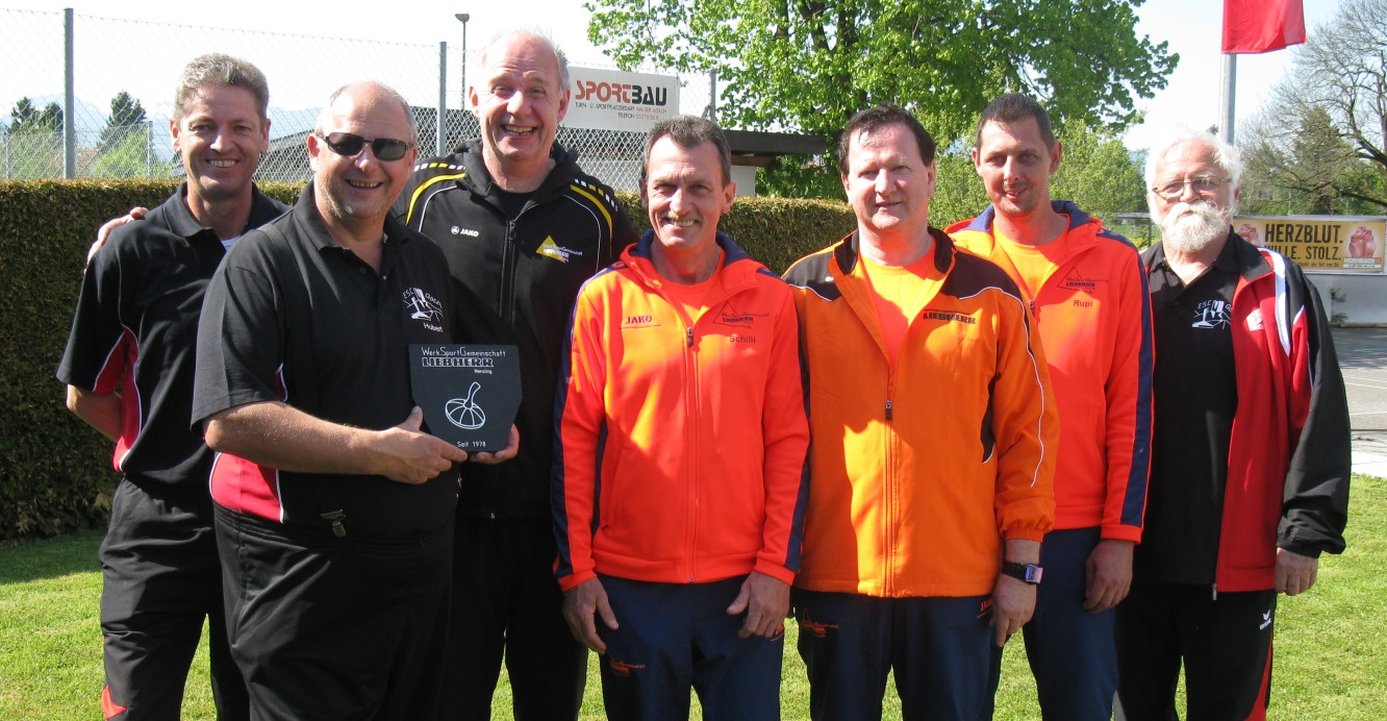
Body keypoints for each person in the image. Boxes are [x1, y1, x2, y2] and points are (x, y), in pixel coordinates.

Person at [191, 81, 516, 721]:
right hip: (305, 572)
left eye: (388, 147)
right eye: (348, 143)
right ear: (315, 149)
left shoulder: (424, 261)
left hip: (421, 570)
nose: (367, 162)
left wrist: (483, 428)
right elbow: (229, 419)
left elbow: (437, 381)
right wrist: (375, 454)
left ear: (412, 160)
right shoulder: (261, 264)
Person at [781, 104, 1058, 721]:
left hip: (956, 581)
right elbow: (772, 434)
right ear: (846, 182)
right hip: (838, 577)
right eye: (868, 171)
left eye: (900, 168)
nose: (885, 185)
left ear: (931, 175)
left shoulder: (991, 291)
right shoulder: (802, 289)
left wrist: (1023, 565)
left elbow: (1030, 435)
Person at [393, 28, 638, 721]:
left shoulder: (597, 216)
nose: (518, 106)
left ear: (564, 102)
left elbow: (668, 289)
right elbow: (332, 246)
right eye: (502, 88)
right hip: (445, 514)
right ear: (474, 96)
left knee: (550, 706)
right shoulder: (423, 198)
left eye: (536, 90)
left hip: (552, 525)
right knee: (445, 704)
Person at [552, 115, 809, 721]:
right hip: (632, 591)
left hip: (743, 588)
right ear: (644, 191)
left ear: (728, 195)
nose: (680, 204)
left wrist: (776, 568)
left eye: (698, 187)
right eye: (665, 186)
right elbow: (574, 440)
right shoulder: (603, 298)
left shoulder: (770, 300)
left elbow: (790, 441)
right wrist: (577, 572)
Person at [56, 53, 283, 721]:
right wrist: (159, 448)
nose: (222, 143)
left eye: (240, 127)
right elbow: (85, 392)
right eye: (204, 125)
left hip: (264, 524)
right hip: (156, 525)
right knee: (136, 707)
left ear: (265, 135)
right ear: (176, 131)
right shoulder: (129, 251)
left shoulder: (294, 245)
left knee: (259, 708)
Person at [1114, 131, 1351, 721]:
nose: (1188, 195)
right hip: (1128, 560)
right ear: (1152, 200)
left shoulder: (1278, 282)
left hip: (1237, 561)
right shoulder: (1126, 281)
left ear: (1233, 192)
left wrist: (1305, 533)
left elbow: (1319, 412)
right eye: (1172, 186)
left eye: (1205, 182)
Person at [947, 94, 1153, 721]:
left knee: (1080, 706)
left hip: (1076, 535)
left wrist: (1119, 537)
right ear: (976, 163)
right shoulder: (951, 257)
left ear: (1055, 158)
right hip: (971, 528)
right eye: (997, 159)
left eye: (1027, 156)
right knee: (956, 705)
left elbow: (1133, 409)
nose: (1012, 173)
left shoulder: (1114, 260)